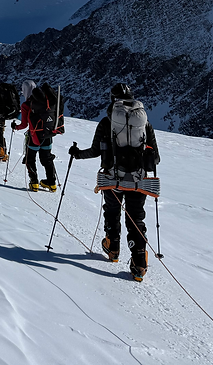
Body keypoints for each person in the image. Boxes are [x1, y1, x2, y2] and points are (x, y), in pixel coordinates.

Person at [69, 82, 161, 281]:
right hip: (139, 180)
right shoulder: (144, 123)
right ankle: (139, 264)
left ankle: (113, 249)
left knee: (112, 212)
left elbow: (94, 151)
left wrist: (76, 154)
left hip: (112, 178)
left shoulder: (106, 122)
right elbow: (155, 160)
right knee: (136, 219)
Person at [12, 80, 61, 192]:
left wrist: (16, 127)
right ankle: (51, 183)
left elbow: (24, 124)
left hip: (34, 136)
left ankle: (34, 183)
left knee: (30, 159)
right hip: (48, 135)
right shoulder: (46, 101)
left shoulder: (26, 105)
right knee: (47, 159)